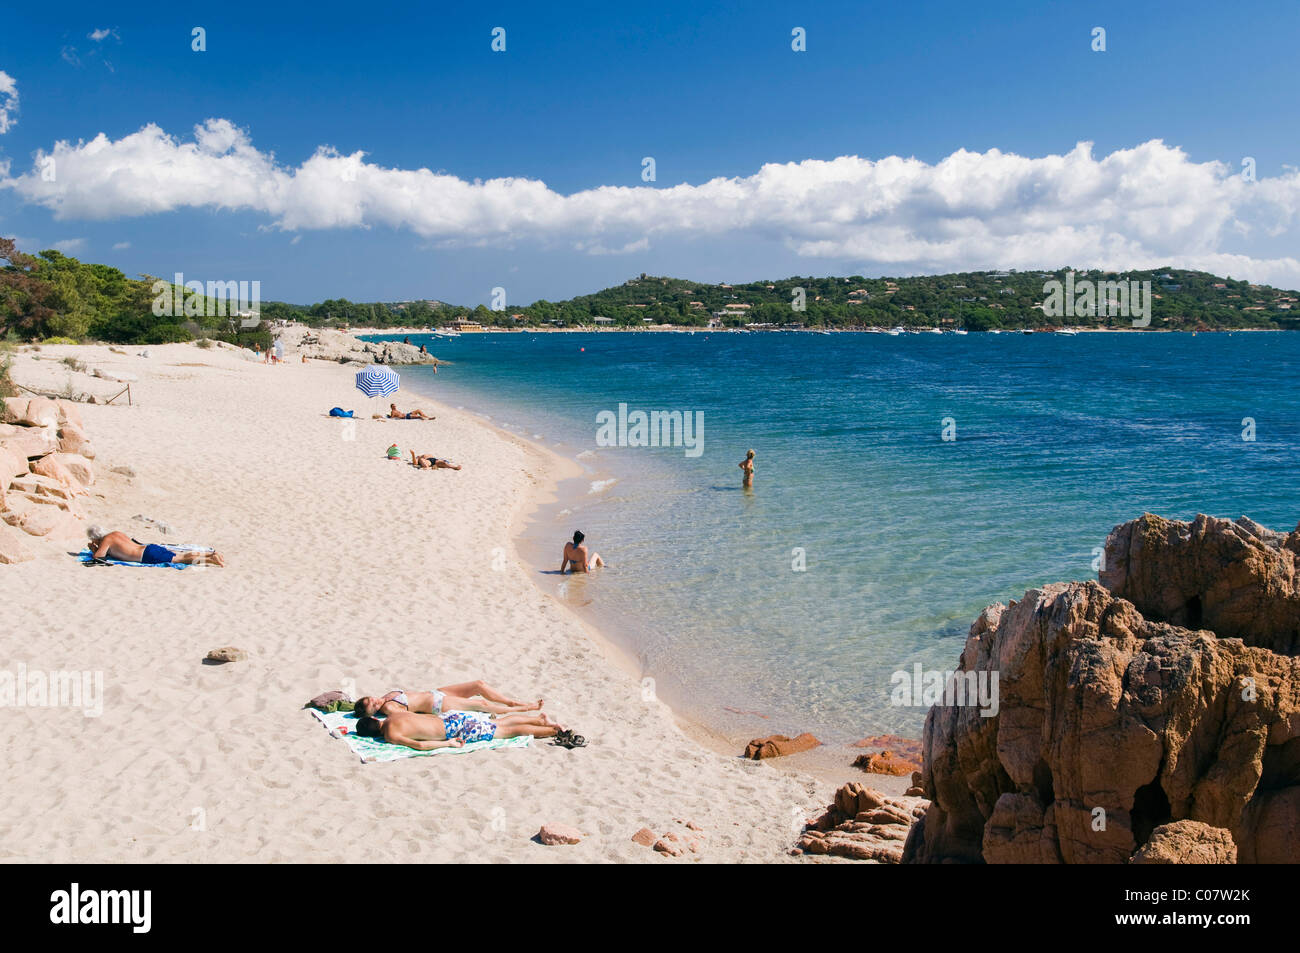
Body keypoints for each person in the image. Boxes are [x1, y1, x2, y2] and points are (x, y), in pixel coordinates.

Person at [354, 708, 562, 750]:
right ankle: (539, 719)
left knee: (507, 732)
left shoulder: (391, 735)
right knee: (502, 723)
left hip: (452, 729)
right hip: (451, 716)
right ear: (374, 719)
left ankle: (555, 731)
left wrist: (448, 743)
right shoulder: (393, 715)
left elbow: (419, 744)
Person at [354, 681, 543, 719]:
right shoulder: (389, 710)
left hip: (437, 692)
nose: (374, 701)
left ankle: (511, 702)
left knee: (479, 685)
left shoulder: (387, 697)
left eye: (370, 699)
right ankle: (524, 708)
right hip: (437, 705)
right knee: (482, 705)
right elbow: (411, 718)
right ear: (372, 713)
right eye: (372, 706)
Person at [86, 526, 225, 567]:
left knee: (182, 559)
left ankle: (211, 560)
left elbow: (98, 556)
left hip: (146, 556)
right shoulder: (116, 533)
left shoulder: (106, 541)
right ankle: (210, 555)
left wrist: (94, 549)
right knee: (182, 556)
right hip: (149, 548)